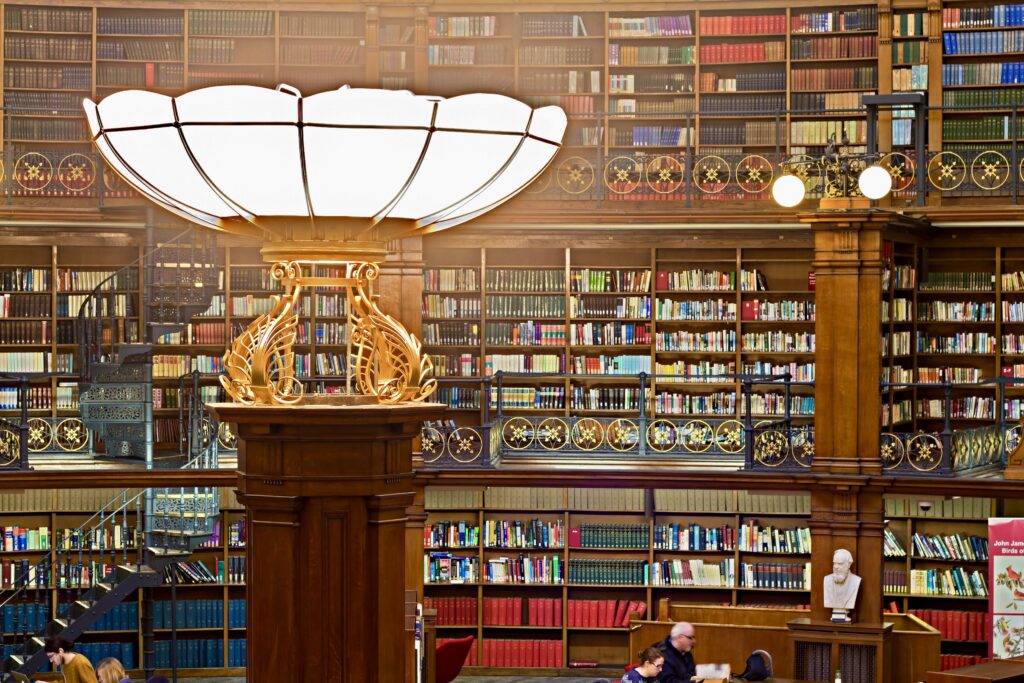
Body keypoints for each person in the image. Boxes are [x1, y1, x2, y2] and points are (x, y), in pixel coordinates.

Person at [824, 548, 862, 612]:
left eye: (840, 564)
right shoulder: (827, 580)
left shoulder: (856, 581)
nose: (836, 567)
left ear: (849, 565)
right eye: (834, 563)